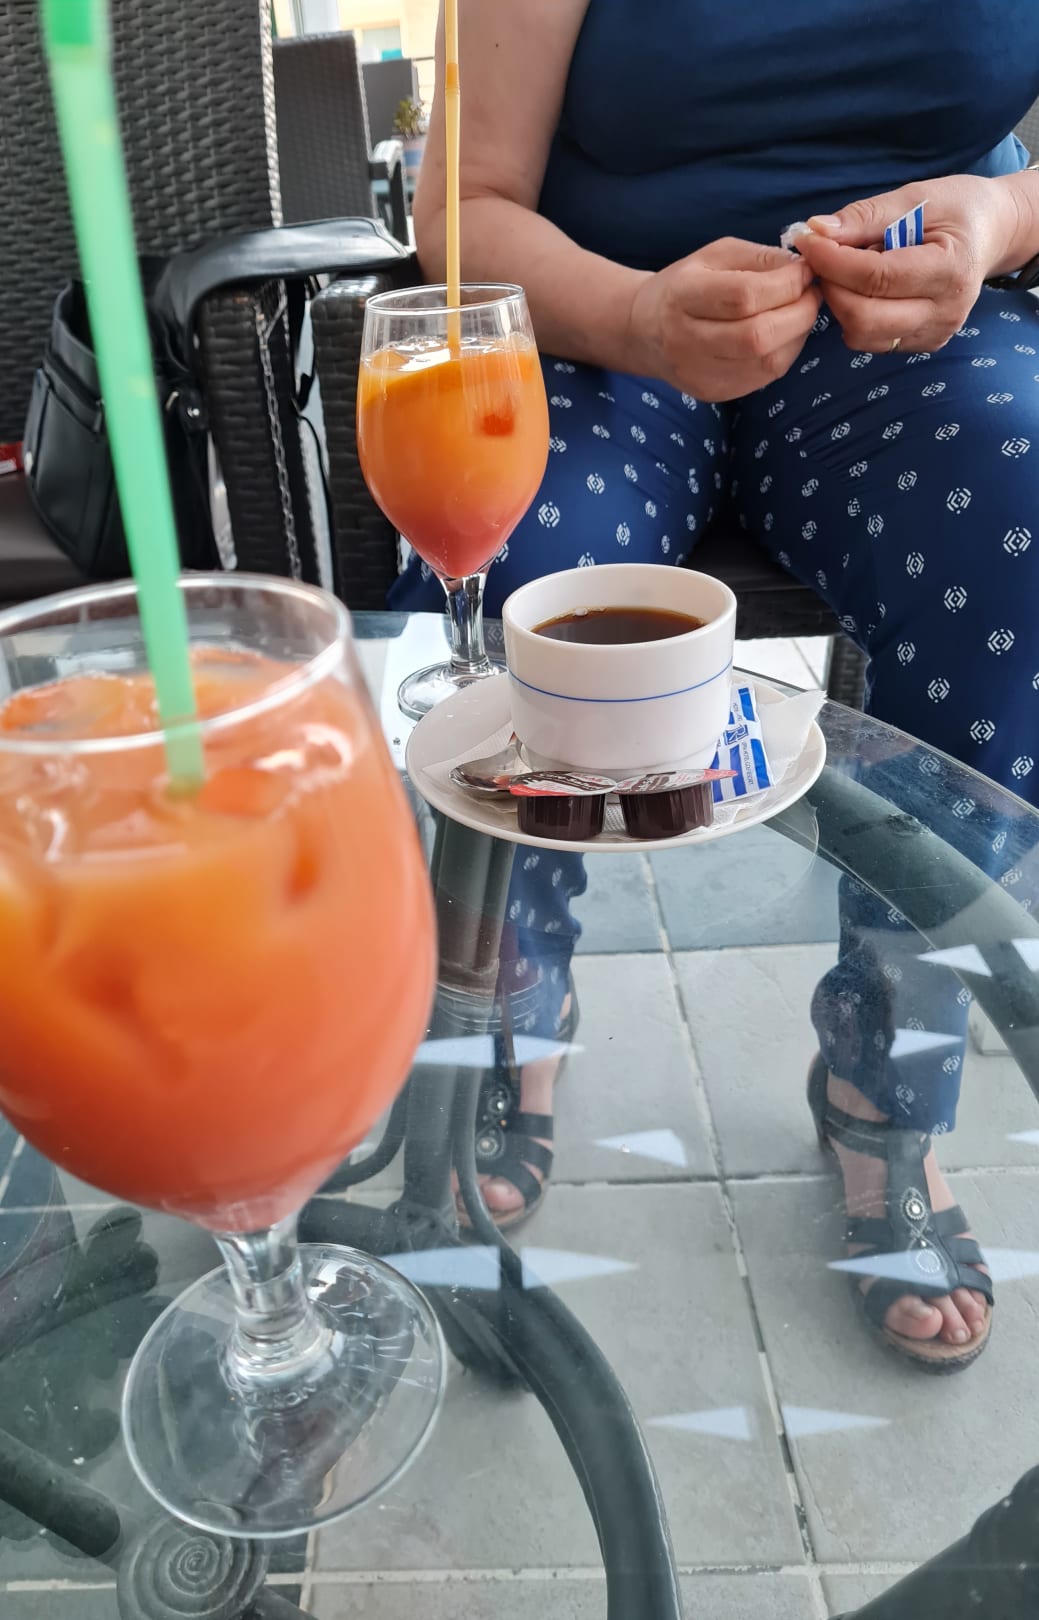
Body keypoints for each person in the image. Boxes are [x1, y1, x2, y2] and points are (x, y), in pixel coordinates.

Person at [393, 0, 1039, 1369]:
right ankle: (512, 1013)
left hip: (916, 340)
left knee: (1030, 533)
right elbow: (462, 203)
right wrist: (634, 314)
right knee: (506, 551)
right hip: (592, 318)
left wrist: (1000, 219)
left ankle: (884, 1080)